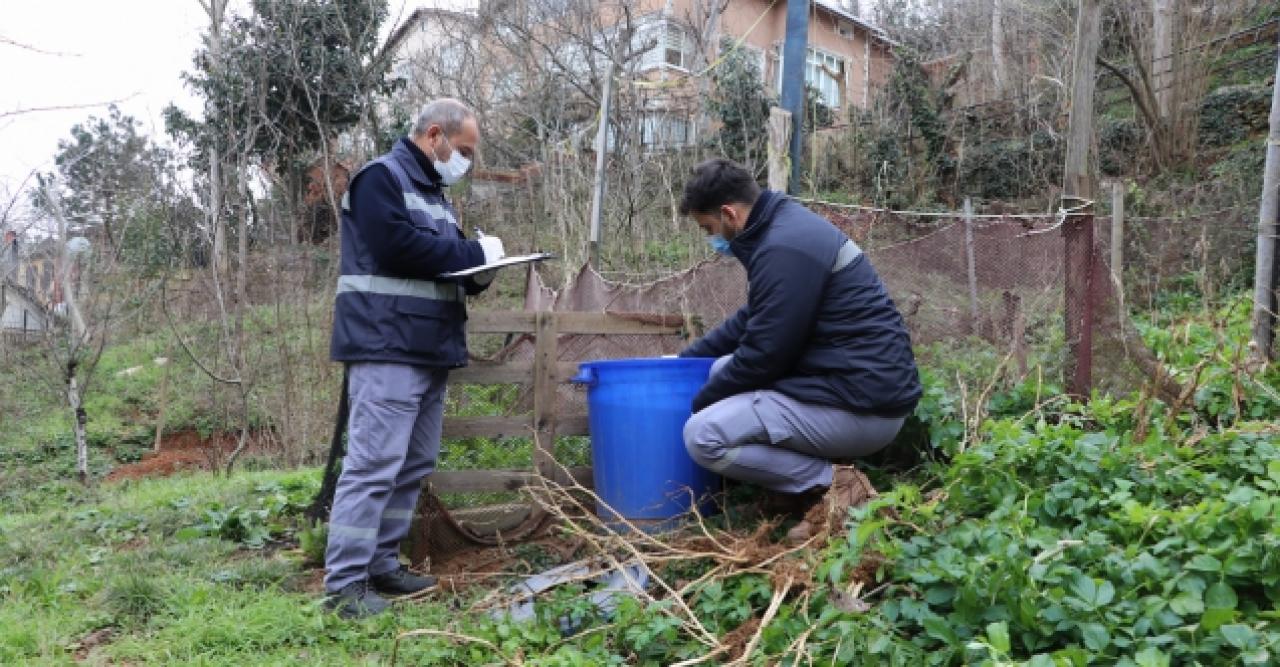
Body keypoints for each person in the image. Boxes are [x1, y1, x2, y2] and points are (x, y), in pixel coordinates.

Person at [324, 98, 506, 618]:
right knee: (373, 465)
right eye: (463, 150)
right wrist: (476, 255)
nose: (465, 161)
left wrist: (479, 275)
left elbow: (436, 269)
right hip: (388, 346)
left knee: (411, 464)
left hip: (428, 348)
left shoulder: (437, 194)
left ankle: (381, 565)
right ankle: (344, 587)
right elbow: (397, 249)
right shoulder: (380, 179)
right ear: (434, 135)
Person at [677, 158, 922, 542]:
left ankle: (838, 485)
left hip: (863, 407)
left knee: (703, 435)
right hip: (853, 386)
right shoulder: (783, 229)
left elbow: (764, 356)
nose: (712, 240)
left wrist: (698, 402)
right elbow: (752, 321)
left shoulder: (784, 248)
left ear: (729, 214)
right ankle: (791, 490)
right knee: (719, 369)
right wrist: (684, 363)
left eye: (709, 229)